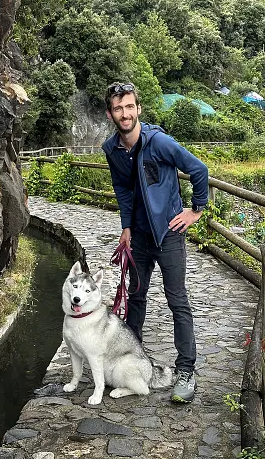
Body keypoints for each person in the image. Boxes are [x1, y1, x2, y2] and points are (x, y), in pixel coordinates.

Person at [102, 82, 209, 403]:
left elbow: (198, 169)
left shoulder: (158, 142)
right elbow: (123, 190)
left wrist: (195, 210)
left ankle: (186, 370)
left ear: (138, 109)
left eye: (130, 107)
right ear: (111, 113)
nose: (125, 113)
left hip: (169, 235)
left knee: (177, 301)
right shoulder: (112, 150)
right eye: (118, 108)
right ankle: (132, 361)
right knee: (136, 298)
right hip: (139, 238)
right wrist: (126, 227)